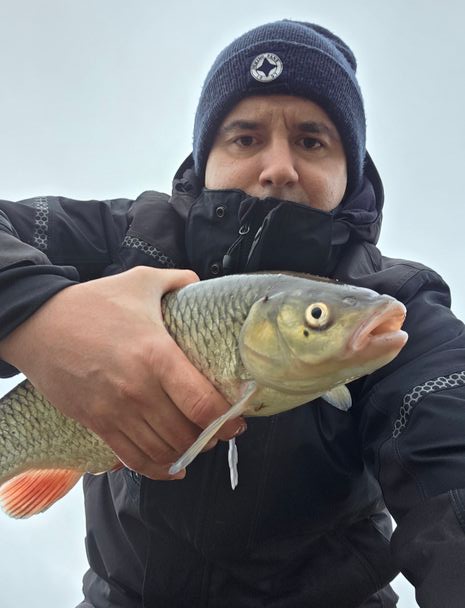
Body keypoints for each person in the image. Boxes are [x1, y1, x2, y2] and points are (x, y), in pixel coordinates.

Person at [0, 19, 464, 608]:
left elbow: (450, 460)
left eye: (312, 141)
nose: (279, 167)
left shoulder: (399, 306)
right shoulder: (126, 241)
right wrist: (40, 316)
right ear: (205, 159)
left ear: (350, 172)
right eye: (245, 138)